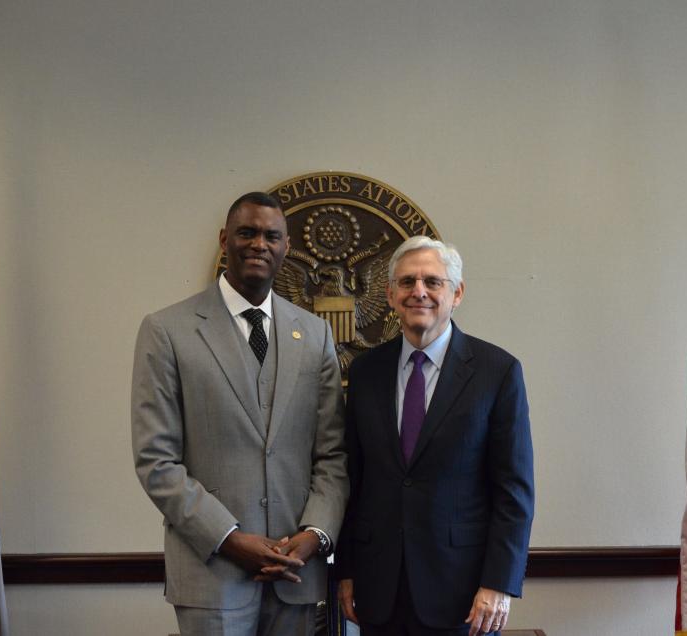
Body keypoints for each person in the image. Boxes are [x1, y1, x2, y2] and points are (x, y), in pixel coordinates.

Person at [131, 192, 348, 635]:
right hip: (212, 576)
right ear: (224, 239)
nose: (259, 244)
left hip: (296, 575)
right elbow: (157, 462)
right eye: (247, 233)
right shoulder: (168, 331)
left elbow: (332, 455)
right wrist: (230, 539)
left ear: (287, 247)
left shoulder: (314, 334)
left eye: (271, 236)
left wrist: (314, 536)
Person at [336, 236, 534, 636]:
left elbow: (514, 491)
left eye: (432, 282)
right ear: (390, 295)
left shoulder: (497, 372)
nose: (419, 292)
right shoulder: (364, 372)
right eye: (407, 283)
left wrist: (499, 583)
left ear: (456, 293)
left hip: (463, 596)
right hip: (378, 592)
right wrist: (346, 571)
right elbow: (352, 480)